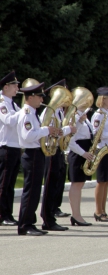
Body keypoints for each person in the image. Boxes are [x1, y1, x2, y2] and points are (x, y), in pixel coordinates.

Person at [17, 81, 62, 235]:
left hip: (37, 153)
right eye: (39, 97)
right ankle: (25, 225)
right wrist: (46, 130)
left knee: (35, 191)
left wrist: (48, 132)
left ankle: (29, 222)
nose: (42, 100)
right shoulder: (27, 114)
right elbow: (27, 136)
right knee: (31, 191)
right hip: (31, 154)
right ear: (30, 98)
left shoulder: (33, 114)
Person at [40, 80, 76, 231]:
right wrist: (68, 129)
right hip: (50, 150)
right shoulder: (50, 111)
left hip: (57, 150)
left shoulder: (59, 112)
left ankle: (51, 216)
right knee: (50, 185)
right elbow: (50, 130)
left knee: (55, 184)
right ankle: (47, 218)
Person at [66, 92, 95, 227]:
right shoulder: (74, 117)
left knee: (80, 184)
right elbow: (70, 140)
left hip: (84, 151)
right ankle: (76, 215)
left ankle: (77, 215)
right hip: (78, 153)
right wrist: (84, 153)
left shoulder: (83, 117)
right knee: (76, 184)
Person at [0, 71, 23, 227]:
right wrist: (25, 111)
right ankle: (2, 214)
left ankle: (8, 213)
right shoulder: (2, 103)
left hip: (15, 146)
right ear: (6, 87)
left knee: (10, 184)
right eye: (15, 85)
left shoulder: (13, 103)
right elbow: (8, 120)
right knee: (4, 183)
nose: (17, 88)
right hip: (6, 146)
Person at [92, 87, 108, 222]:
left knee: (106, 182)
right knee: (101, 181)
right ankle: (98, 210)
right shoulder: (99, 115)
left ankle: (103, 210)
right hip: (102, 149)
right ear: (103, 99)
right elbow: (95, 133)